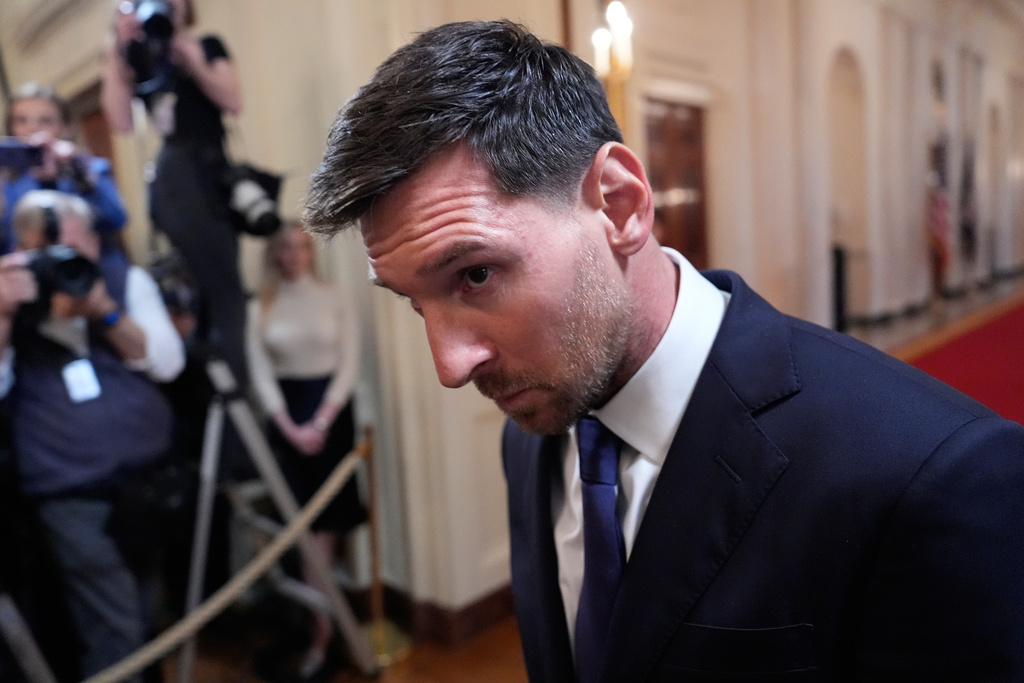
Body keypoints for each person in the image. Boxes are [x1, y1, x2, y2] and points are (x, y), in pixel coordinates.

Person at [303, 20, 1024, 682]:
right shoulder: (533, 435)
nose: (449, 366)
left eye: (476, 274)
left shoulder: (932, 475)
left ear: (618, 204)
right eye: (413, 302)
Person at [0, 189, 185, 681]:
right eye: (54, 247)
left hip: (146, 482)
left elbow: (167, 363)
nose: (73, 257)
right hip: (69, 491)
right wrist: (2, 315)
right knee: (113, 624)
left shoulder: (123, 278)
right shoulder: (10, 290)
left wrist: (104, 310)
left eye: (82, 242)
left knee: (146, 612)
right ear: (25, 246)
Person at [101, 0, 249, 389]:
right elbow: (118, 121)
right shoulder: (142, 56)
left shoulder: (206, 45)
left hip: (213, 177)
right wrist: (118, 49)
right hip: (179, 180)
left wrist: (189, 55)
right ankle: (233, 391)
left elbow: (233, 101)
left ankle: (215, 386)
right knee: (224, 295)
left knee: (217, 290)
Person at [246, 220, 366, 680]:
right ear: (275, 254)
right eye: (286, 248)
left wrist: (320, 421)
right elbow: (259, 371)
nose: (295, 255)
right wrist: (288, 426)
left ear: (310, 251)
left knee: (324, 532)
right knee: (296, 531)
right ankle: (314, 625)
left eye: (301, 246)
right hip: (286, 418)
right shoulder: (262, 303)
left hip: (329, 417)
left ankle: (322, 636)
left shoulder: (335, 295)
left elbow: (349, 362)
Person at [2, 82, 129, 260]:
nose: (32, 128)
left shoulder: (87, 169)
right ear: (10, 128)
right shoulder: (6, 184)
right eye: (21, 120)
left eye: (45, 120)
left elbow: (116, 219)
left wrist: (78, 171)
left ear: (64, 128)